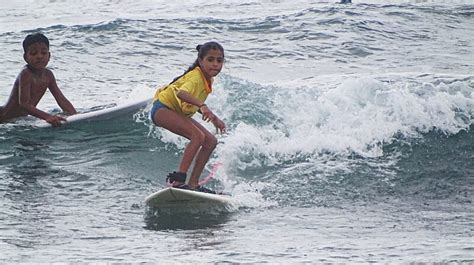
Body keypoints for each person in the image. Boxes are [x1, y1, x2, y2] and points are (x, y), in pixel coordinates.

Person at [150, 41, 226, 193]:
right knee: (197, 136)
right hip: (163, 109)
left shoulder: (207, 79)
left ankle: (193, 184)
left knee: (211, 141)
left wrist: (214, 118)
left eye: (219, 60)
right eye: (210, 60)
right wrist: (203, 106)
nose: (215, 64)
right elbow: (181, 93)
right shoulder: (196, 77)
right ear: (200, 61)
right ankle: (179, 180)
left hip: (175, 111)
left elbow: (190, 101)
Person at [0, 33, 76, 126]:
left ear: (49, 56)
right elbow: (24, 104)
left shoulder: (48, 75)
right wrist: (47, 117)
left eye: (43, 53)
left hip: (16, 120)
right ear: (25, 58)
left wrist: (75, 115)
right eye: (33, 53)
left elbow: (61, 99)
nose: (39, 56)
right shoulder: (26, 73)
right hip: (2, 118)